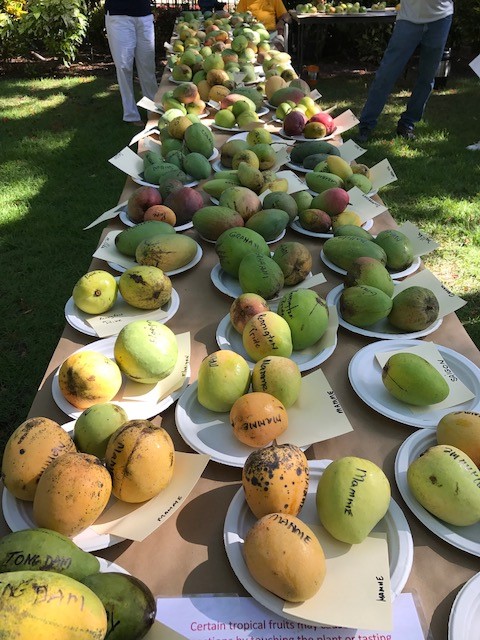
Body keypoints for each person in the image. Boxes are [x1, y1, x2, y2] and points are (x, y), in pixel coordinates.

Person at [356, 0, 454, 142]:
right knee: (386, 74)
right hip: (408, 18)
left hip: (441, 18)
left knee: (427, 78)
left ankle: (408, 124)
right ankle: (366, 125)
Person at [105, 0, 159, 126]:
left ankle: (153, 110)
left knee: (148, 66)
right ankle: (131, 114)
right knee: (124, 66)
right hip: (118, 15)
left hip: (144, 14)